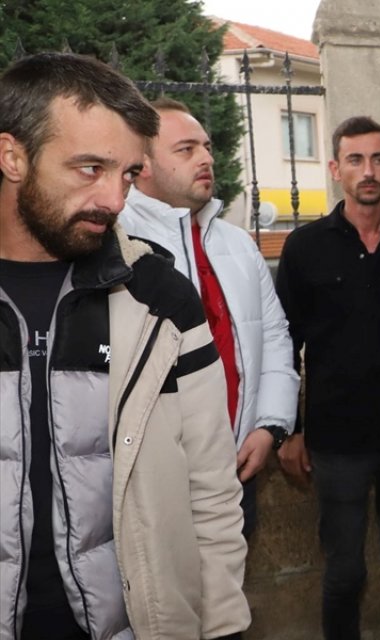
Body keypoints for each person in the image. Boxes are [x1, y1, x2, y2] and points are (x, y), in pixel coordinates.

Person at [0, 53, 249, 639]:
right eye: (90, 168)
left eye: (129, 174)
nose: (115, 200)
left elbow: (210, 492)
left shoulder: (161, 300)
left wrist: (220, 627)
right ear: (12, 156)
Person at [274, 116, 380, 640]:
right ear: (335, 169)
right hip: (335, 440)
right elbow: (284, 346)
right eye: (355, 159)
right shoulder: (303, 249)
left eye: (378, 158)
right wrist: (290, 430)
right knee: (345, 571)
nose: (368, 171)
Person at [118, 98, 298, 536]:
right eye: (185, 149)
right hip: (151, 484)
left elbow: (274, 338)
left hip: (237, 470)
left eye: (207, 146)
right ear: (142, 165)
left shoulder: (238, 244)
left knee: (227, 598)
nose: (205, 158)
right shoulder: (114, 243)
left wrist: (270, 427)